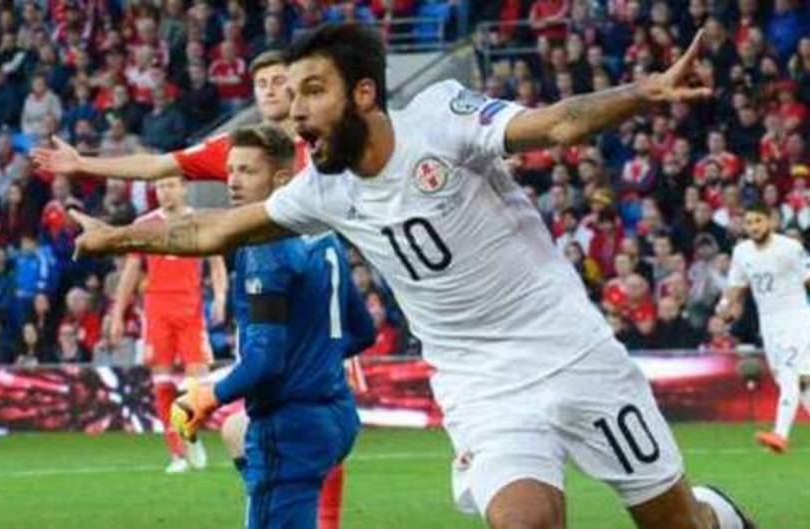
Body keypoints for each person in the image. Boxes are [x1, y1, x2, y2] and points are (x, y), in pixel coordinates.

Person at [70, 24, 755, 529]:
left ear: (363, 93)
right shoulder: (323, 190)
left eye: (314, 90)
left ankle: (717, 514)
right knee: (524, 520)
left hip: (571, 352)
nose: (295, 109)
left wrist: (646, 90)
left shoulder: (439, 117)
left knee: (676, 523)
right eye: (292, 93)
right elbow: (214, 229)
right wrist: (114, 237)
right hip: (480, 384)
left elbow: (553, 126)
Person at [33, 50, 350, 529]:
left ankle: (314, 517)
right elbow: (159, 165)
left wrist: (208, 394)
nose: (269, 89)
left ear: (298, 87)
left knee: (291, 419)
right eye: (261, 82)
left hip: (313, 296)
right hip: (274, 294)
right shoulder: (236, 150)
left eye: (278, 80)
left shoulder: (327, 144)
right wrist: (84, 164)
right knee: (256, 428)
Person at [175, 123, 374, 527]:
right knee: (236, 431)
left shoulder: (265, 246)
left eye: (248, 171)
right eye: (231, 170)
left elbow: (266, 361)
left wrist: (208, 397)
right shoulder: (323, 233)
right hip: (336, 416)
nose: (233, 181)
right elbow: (362, 331)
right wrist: (313, 360)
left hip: (290, 426)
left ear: (282, 179)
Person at [111, 175, 227, 474]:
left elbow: (216, 262)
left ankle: (190, 432)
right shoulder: (145, 224)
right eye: (161, 187)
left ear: (183, 188)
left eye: (171, 185)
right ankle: (177, 455)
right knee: (161, 382)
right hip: (157, 310)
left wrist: (220, 296)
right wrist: (118, 313)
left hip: (190, 309)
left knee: (198, 382)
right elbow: (131, 271)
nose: (165, 191)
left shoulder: (199, 221)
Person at [717, 202, 810, 454]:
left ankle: (780, 435)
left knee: (790, 374)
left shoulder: (790, 248)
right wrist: (724, 307)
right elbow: (736, 286)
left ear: (771, 221)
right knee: (800, 382)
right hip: (768, 322)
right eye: (749, 223)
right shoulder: (742, 252)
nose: (754, 227)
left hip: (796, 317)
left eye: (758, 221)